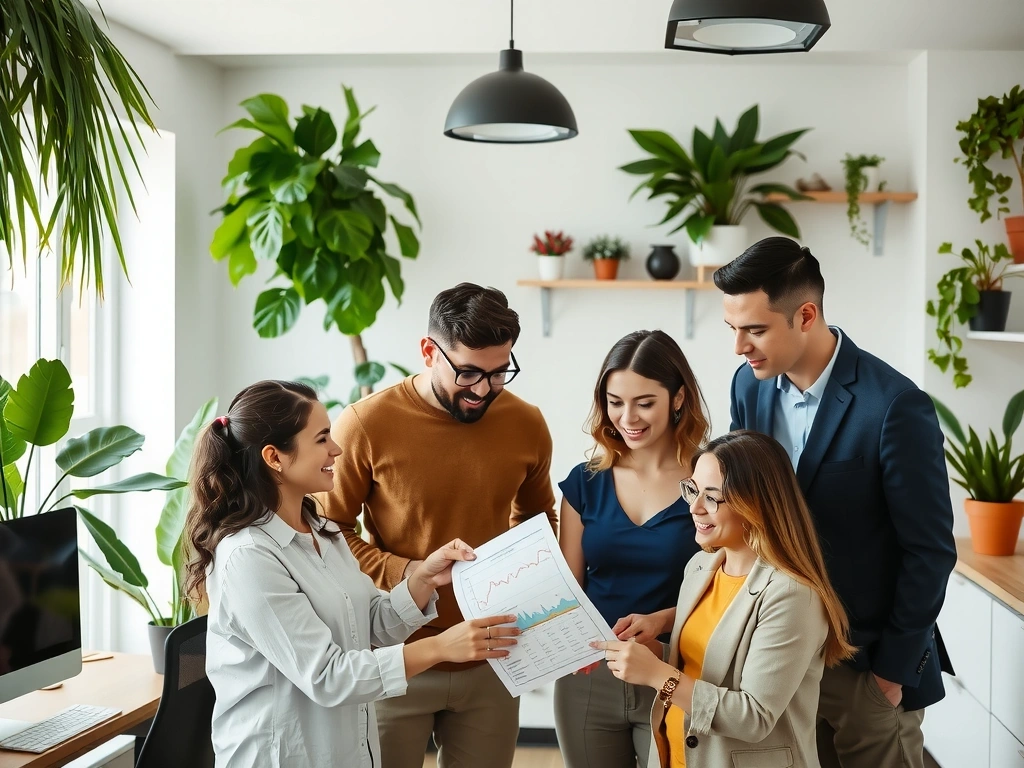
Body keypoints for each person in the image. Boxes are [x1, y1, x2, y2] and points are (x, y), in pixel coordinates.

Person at [184, 380, 520, 768]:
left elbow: (370, 624)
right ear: (274, 457)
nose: (337, 449)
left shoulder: (322, 531)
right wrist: (441, 647)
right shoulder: (248, 557)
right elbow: (327, 675)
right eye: (322, 438)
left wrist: (422, 579)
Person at [714, 237, 957, 768]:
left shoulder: (895, 406)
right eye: (732, 329)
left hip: (866, 668)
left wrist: (891, 675)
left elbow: (931, 550)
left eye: (754, 330)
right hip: (777, 664)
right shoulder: (747, 388)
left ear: (806, 314)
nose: (739, 347)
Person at [320, 283, 557, 768]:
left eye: (498, 373)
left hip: (492, 656)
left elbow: (536, 521)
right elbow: (329, 533)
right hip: (394, 656)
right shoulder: (365, 424)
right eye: (468, 372)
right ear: (429, 351)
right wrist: (414, 573)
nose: (483, 389)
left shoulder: (526, 422)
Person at [594, 430, 855, 768]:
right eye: (693, 490)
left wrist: (657, 674)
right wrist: (656, 655)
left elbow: (754, 717)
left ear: (756, 503)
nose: (695, 507)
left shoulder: (792, 595)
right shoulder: (702, 565)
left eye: (712, 497)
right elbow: (702, 667)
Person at [555, 330, 710, 768]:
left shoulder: (709, 480)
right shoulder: (584, 482)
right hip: (589, 676)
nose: (628, 417)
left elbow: (729, 592)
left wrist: (663, 624)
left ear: (678, 398)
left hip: (678, 670)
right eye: (615, 401)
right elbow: (571, 591)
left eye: (644, 402)